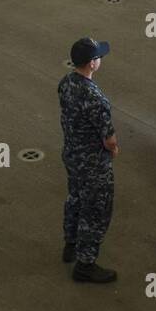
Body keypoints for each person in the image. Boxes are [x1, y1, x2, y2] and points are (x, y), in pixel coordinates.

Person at [58, 37, 119, 284]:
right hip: (94, 163)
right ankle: (85, 263)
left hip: (72, 155)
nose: (100, 60)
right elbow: (109, 138)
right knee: (96, 210)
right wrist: (113, 149)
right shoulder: (95, 97)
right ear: (91, 64)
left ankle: (70, 244)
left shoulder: (66, 83)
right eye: (98, 57)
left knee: (75, 198)